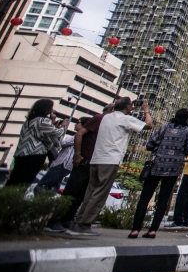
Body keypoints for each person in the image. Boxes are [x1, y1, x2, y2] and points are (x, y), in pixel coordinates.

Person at [67, 97, 152, 236]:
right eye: (131, 105)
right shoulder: (125, 119)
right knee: (100, 193)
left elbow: (118, 110)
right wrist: (146, 110)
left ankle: (77, 222)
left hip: (96, 158)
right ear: (126, 107)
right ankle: (84, 224)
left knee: (91, 191)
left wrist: (128, 106)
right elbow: (149, 125)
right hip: (110, 159)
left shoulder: (106, 118)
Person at [47, 105, 114, 233]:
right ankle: (55, 221)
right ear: (110, 110)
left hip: (94, 162)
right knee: (71, 191)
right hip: (85, 160)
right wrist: (78, 154)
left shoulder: (107, 124)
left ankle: (67, 220)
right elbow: (79, 134)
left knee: (80, 195)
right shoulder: (100, 118)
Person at [129, 108, 188, 238]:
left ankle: (135, 229)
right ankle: (153, 230)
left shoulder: (165, 127)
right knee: (163, 200)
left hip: (157, 165)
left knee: (145, 197)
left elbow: (150, 143)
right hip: (173, 168)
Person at [7, 99, 68, 187]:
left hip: (21, 153)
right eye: (51, 108)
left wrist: (52, 122)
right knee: (26, 181)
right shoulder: (43, 121)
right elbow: (57, 134)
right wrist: (63, 125)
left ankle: (5, 197)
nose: (52, 110)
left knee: (14, 179)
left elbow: (43, 134)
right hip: (35, 154)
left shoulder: (30, 120)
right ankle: (15, 198)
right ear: (46, 109)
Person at [35, 118, 86, 195]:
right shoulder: (81, 137)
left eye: (78, 122)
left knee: (43, 185)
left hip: (62, 164)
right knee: (53, 186)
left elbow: (60, 143)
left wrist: (62, 127)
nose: (75, 124)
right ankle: (45, 202)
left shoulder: (78, 136)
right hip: (66, 166)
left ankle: (38, 201)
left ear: (83, 125)